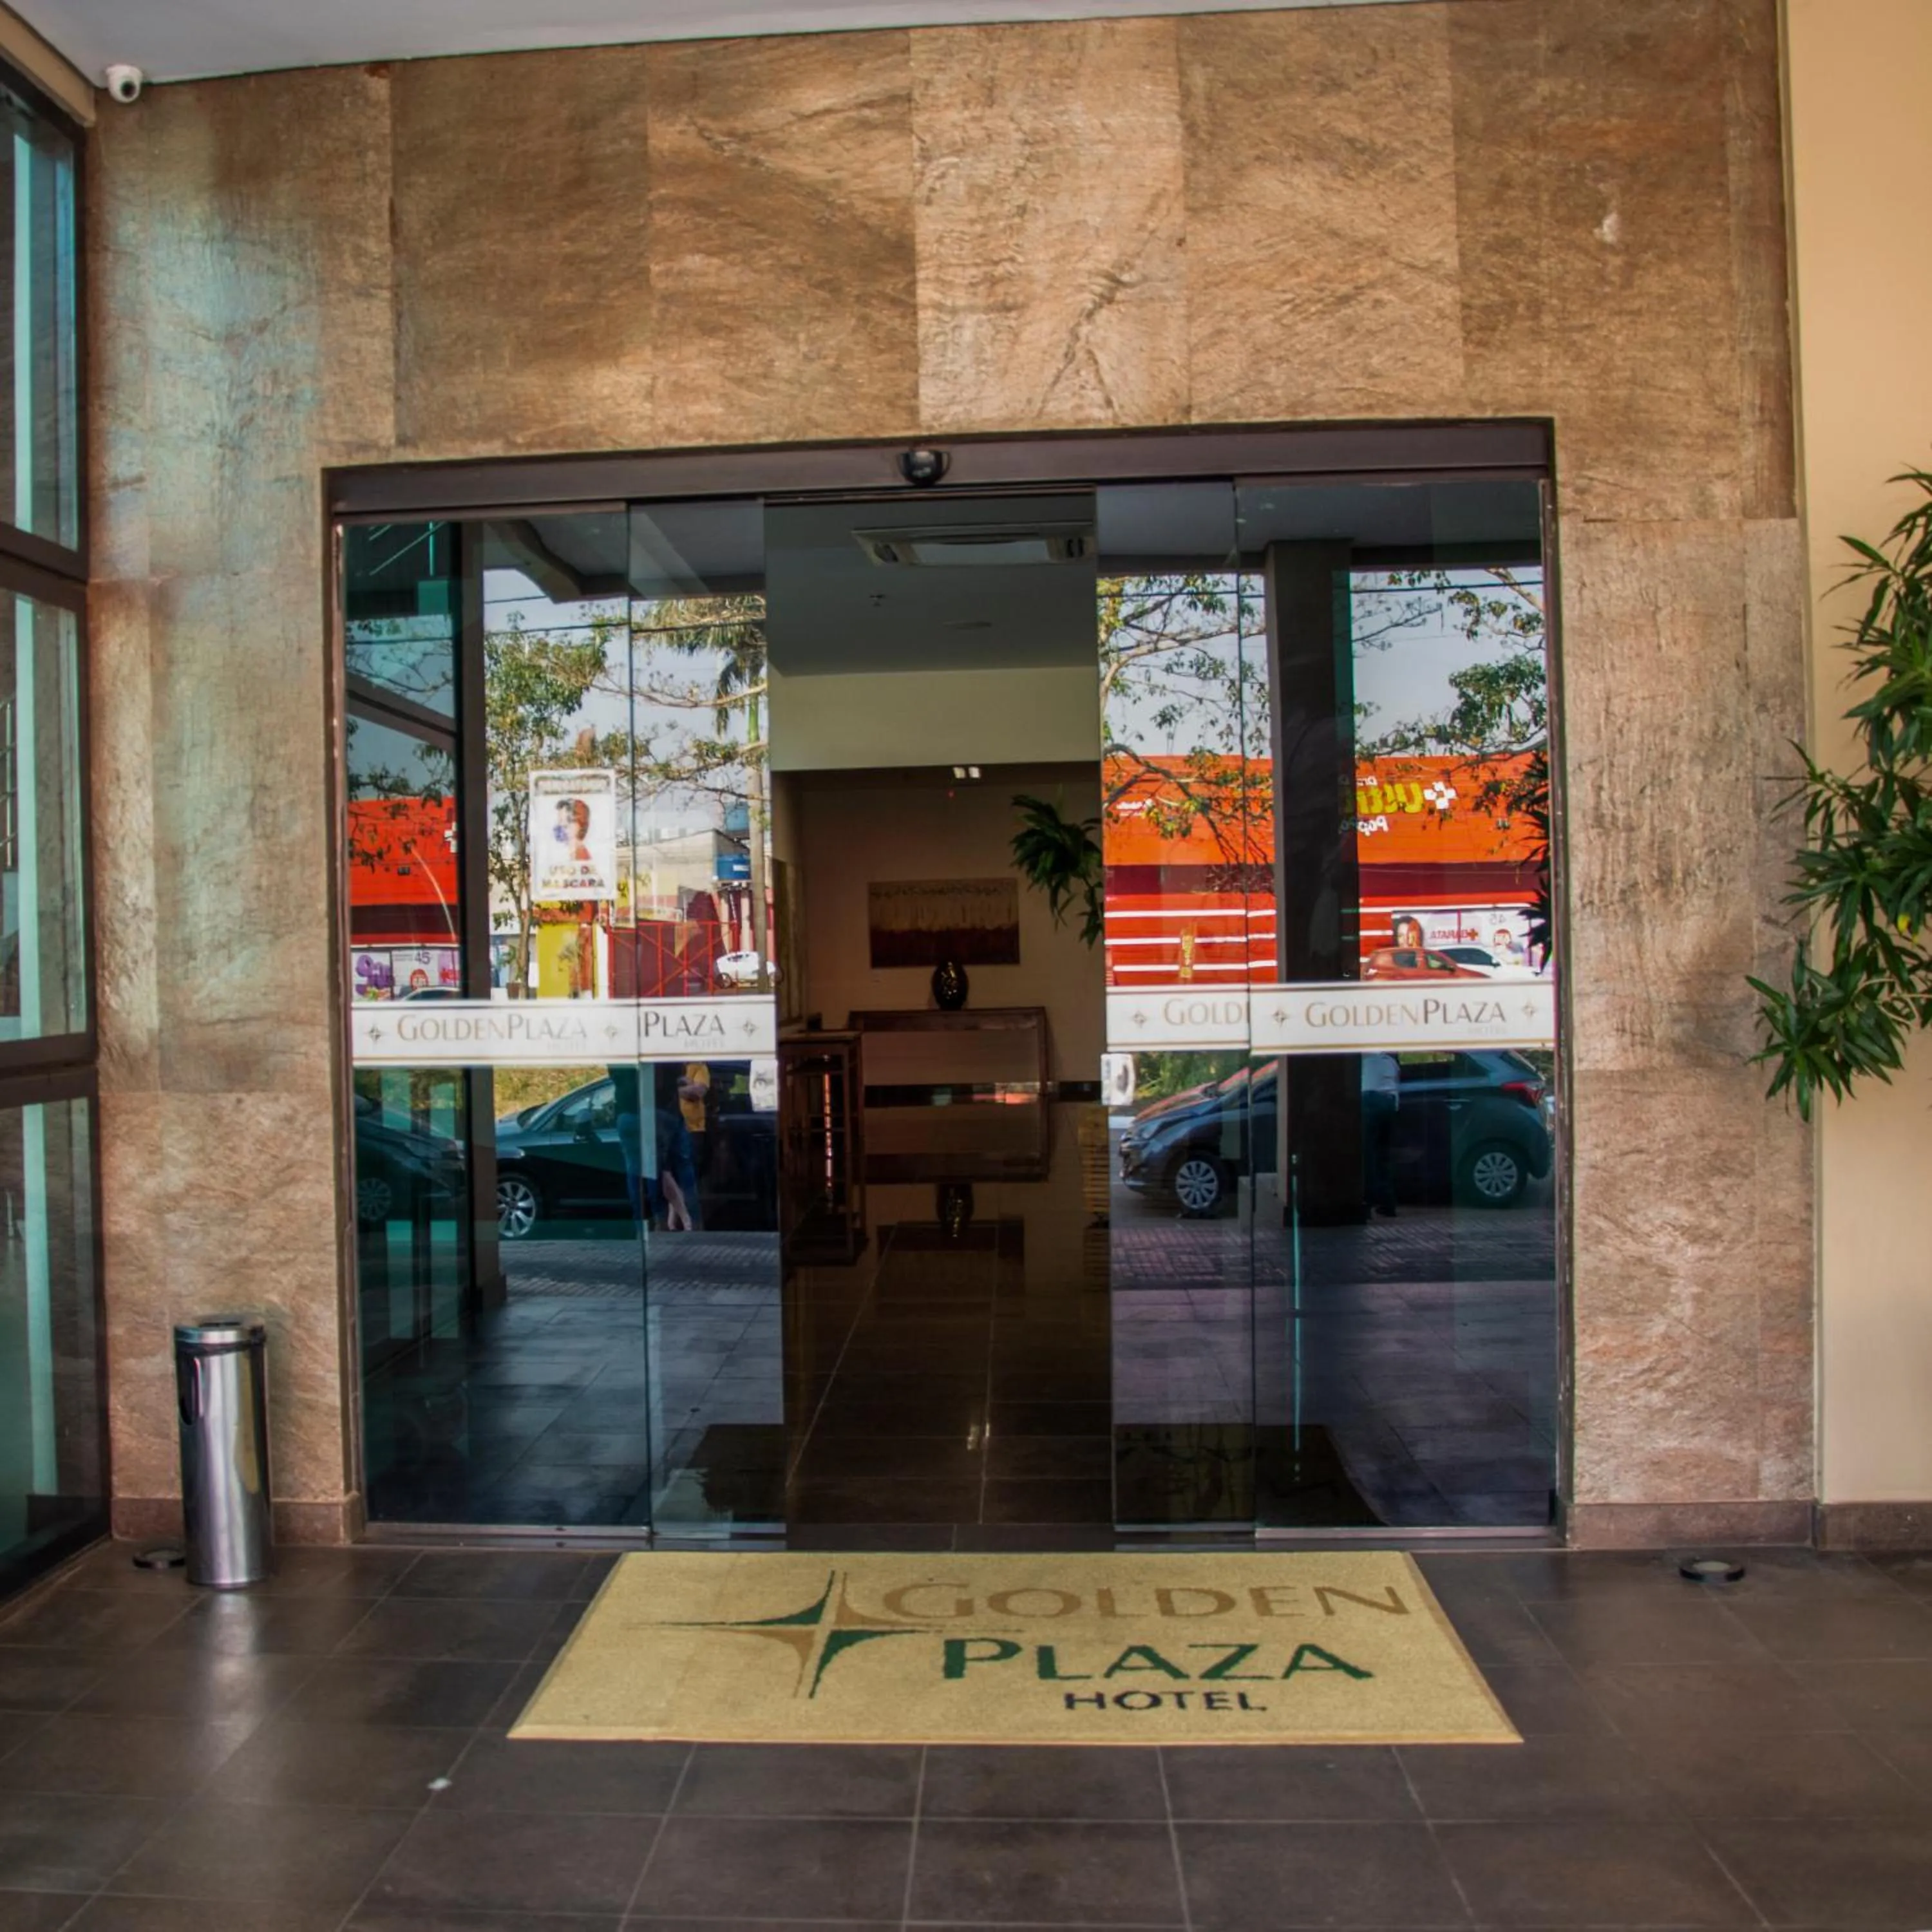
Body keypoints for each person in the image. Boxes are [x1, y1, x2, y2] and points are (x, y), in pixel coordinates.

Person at [1360, 1052, 1399, 1218]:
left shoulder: (1366, 1056)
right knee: (1383, 1155)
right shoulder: (1391, 1062)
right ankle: (1388, 1204)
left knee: (1367, 1155)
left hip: (1369, 1100)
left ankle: (1366, 1204)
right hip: (1390, 1102)